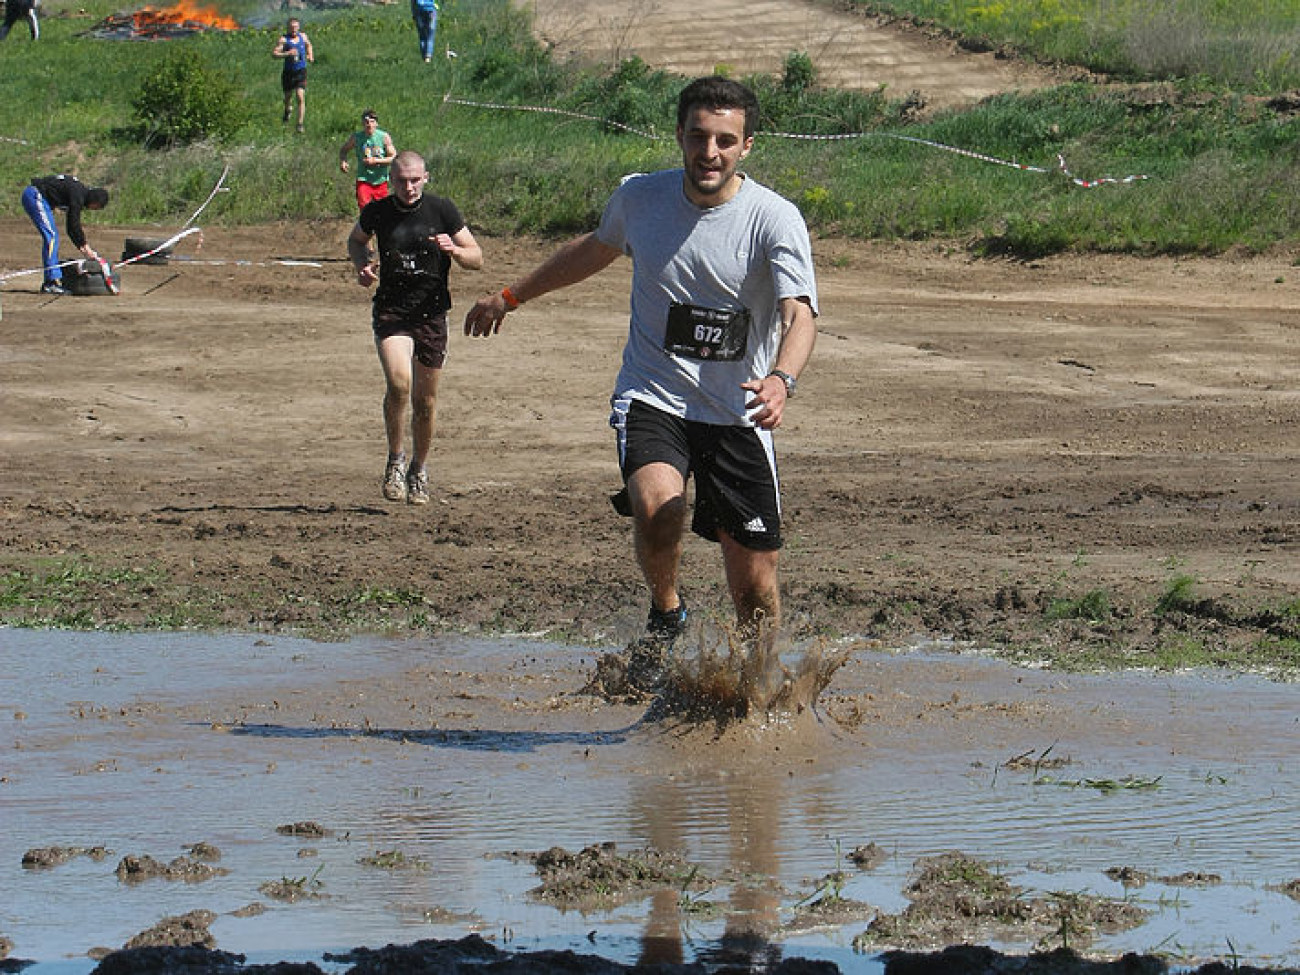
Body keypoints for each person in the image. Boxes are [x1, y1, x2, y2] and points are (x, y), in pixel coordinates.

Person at [464, 76, 817, 644]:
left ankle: (760, 683)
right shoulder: (640, 198)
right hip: (655, 394)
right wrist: (510, 296)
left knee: (753, 585)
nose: (710, 152)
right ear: (679, 134)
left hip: (738, 410)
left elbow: (799, 314)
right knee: (657, 506)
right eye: (699, 136)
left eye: (725, 140)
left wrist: (781, 379)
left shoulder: (774, 218)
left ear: (746, 146)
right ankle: (668, 610)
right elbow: (594, 249)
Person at [347, 151, 482, 505]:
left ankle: (418, 469)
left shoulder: (442, 211)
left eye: (415, 179)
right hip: (392, 312)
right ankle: (395, 459)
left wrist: (455, 249)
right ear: (391, 180)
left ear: (426, 178)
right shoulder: (378, 211)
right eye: (402, 180)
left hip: (432, 315)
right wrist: (362, 266)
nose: (409, 186)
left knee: (425, 402)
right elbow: (356, 241)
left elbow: (477, 258)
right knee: (398, 384)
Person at [21, 174, 109, 296]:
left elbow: (71, 228)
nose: (94, 210)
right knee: (51, 237)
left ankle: (51, 279)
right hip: (36, 196)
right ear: (95, 202)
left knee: (52, 236)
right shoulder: (78, 196)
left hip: (37, 196)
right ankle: (50, 283)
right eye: (97, 208)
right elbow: (73, 224)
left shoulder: (79, 192)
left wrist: (82, 247)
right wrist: (85, 247)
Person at [338, 109, 396, 212]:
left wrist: (376, 161)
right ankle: (366, 227)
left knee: (382, 211)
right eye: (366, 122)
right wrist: (343, 161)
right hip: (363, 179)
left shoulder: (384, 137)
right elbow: (344, 150)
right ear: (363, 124)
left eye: (372, 121)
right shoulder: (356, 137)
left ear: (376, 123)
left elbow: (393, 158)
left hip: (380, 180)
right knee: (365, 209)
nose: (369, 124)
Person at [272, 17, 313, 133]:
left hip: (301, 71)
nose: (294, 29)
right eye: (291, 28)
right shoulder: (284, 40)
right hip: (288, 73)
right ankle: (287, 110)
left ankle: (300, 124)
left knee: (300, 96)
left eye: (296, 27)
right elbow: (274, 54)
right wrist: (287, 53)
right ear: (288, 28)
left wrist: (310, 55)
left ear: (299, 27)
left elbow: (309, 45)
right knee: (288, 97)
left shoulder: (303, 36)